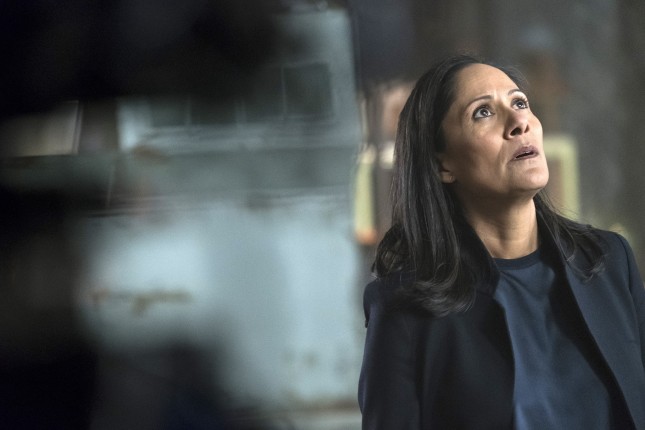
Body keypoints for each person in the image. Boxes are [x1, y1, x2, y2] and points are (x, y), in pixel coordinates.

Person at [358, 54, 645, 429]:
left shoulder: (608, 261)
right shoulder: (405, 309)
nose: (519, 123)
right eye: (483, 112)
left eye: (520, 103)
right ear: (442, 164)